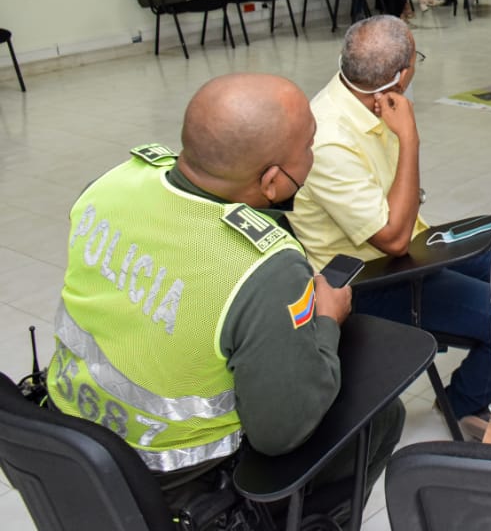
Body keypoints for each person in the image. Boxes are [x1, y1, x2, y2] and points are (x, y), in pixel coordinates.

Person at [50, 73, 403, 509]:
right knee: (383, 418)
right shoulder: (262, 267)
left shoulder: (110, 184)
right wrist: (328, 321)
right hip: (175, 477)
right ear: (273, 182)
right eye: (309, 147)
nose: (313, 155)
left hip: (69, 431)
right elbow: (279, 434)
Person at [290, 16, 491, 438]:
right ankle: (462, 401)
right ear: (401, 76)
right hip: (370, 278)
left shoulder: (370, 101)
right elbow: (392, 239)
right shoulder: (330, 136)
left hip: (413, 249)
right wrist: (410, 139)